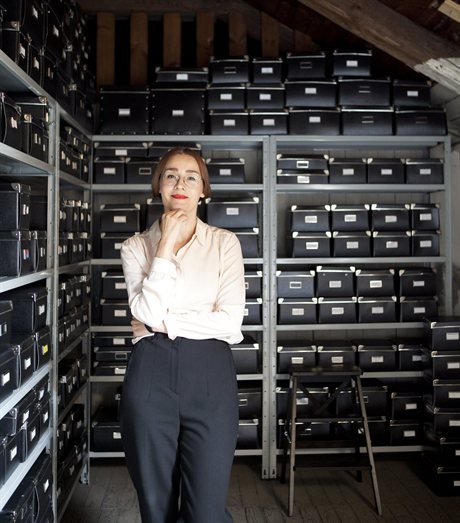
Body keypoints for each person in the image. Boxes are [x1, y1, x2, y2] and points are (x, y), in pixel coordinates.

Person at [119, 146, 246, 523]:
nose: (181, 183)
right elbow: (146, 314)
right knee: (155, 507)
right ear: (158, 186)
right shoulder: (135, 247)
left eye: (192, 177)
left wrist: (166, 322)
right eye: (171, 175)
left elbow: (229, 323)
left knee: (205, 512)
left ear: (203, 190)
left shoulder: (224, 243)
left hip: (210, 378)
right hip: (150, 376)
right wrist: (164, 247)